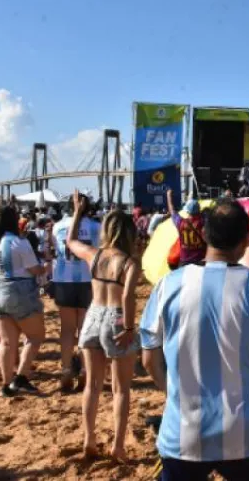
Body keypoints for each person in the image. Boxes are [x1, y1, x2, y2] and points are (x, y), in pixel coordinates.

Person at [140, 200, 249, 481]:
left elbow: (149, 359)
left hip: (183, 432)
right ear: (247, 239)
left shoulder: (167, 286)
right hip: (247, 431)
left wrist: (174, 393)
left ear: (205, 236)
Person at [66, 190, 141, 461]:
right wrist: (130, 328)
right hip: (116, 317)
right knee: (120, 389)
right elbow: (127, 297)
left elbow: (71, 240)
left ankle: (89, 439)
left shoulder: (94, 255)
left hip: (93, 315)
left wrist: (77, 212)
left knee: (92, 386)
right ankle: (118, 446)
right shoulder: (130, 263)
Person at [0, 206, 51, 396]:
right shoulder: (18, 242)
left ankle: (6, 385)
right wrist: (46, 266)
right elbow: (34, 270)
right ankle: (21, 378)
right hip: (16, 290)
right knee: (35, 337)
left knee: (6, 342)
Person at [52, 193, 102, 391]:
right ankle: (83, 370)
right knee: (84, 329)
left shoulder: (58, 226)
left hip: (63, 278)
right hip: (87, 279)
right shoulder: (95, 227)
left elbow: (56, 249)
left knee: (66, 329)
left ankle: (65, 369)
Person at [166, 189, 207, 267]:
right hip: (201, 262)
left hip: (184, 261)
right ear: (199, 211)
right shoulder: (203, 222)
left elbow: (172, 210)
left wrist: (168, 196)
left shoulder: (180, 223)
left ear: (187, 212)